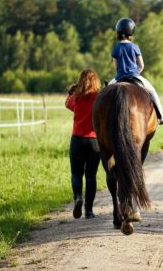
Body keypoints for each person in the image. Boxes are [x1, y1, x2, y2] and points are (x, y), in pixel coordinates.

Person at [108, 17, 163, 124]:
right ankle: (161, 116)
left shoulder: (116, 48)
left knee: (105, 91)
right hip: (135, 76)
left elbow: (116, 67)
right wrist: (135, 73)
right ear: (131, 33)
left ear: (118, 32)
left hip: (119, 77)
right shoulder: (135, 47)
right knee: (152, 91)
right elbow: (141, 65)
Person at [65, 69, 101, 219]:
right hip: (94, 141)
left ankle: (78, 197)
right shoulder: (98, 97)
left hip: (77, 140)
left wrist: (72, 91)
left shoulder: (76, 97)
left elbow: (67, 104)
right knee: (91, 176)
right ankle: (89, 211)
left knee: (76, 173)